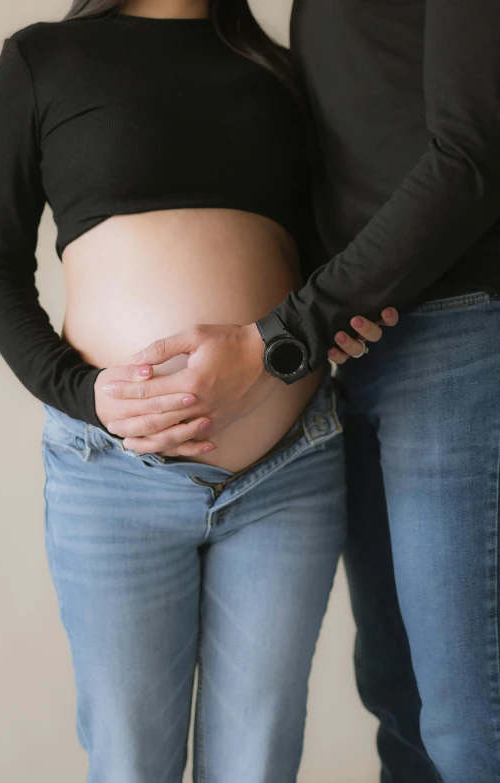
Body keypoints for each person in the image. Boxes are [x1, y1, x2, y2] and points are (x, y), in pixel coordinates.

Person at [0, 0, 397, 781]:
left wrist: (345, 321)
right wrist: (81, 392)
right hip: (112, 474)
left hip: (288, 475)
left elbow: (328, 256)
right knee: (131, 762)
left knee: (258, 765)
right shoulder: (44, 61)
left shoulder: (277, 73)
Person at [112, 1, 500, 781]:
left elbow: (472, 156)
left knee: (468, 718)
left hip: (457, 329)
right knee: (401, 703)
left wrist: (287, 331)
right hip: (365, 350)